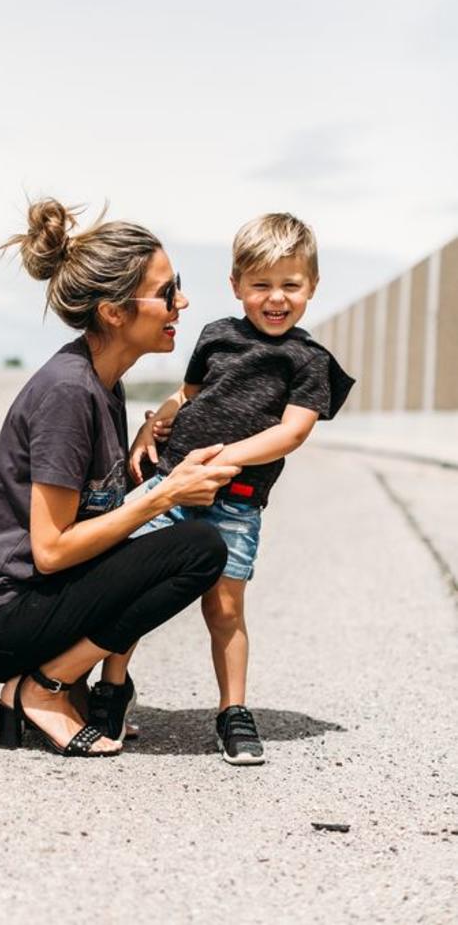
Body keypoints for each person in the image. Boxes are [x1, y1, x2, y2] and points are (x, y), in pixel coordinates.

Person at [0, 198, 240, 758]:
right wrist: (163, 495)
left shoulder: (104, 382)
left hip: (36, 600)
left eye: (175, 284)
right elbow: (52, 550)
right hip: (3, 614)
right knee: (199, 549)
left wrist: (153, 448)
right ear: (113, 312)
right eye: (164, 292)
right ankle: (46, 687)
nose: (180, 301)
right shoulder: (68, 391)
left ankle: (57, 683)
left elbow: (95, 517)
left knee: (181, 544)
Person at [129, 213, 354, 766]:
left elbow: (291, 432)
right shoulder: (215, 336)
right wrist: (153, 421)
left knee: (224, 610)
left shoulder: (309, 361)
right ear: (237, 286)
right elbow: (187, 396)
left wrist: (223, 462)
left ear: (313, 287)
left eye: (290, 285)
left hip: (235, 504)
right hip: (173, 485)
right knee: (131, 591)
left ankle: (233, 711)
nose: (275, 298)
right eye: (261, 285)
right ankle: (112, 690)